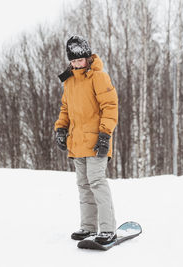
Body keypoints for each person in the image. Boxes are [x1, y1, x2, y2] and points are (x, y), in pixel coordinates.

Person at [54, 35, 119, 245]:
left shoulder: (98, 77)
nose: (76, 64)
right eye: (72, 61)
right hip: (77, 142)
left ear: (87, 57)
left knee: (97, 182)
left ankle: (108, 228)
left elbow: (110, 106)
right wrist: (61, 129)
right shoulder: (70, 81)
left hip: (97, 141)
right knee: (83, 185)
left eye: (79, 61)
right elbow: (65, 109)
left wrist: (105, 134)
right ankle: (88, 226)